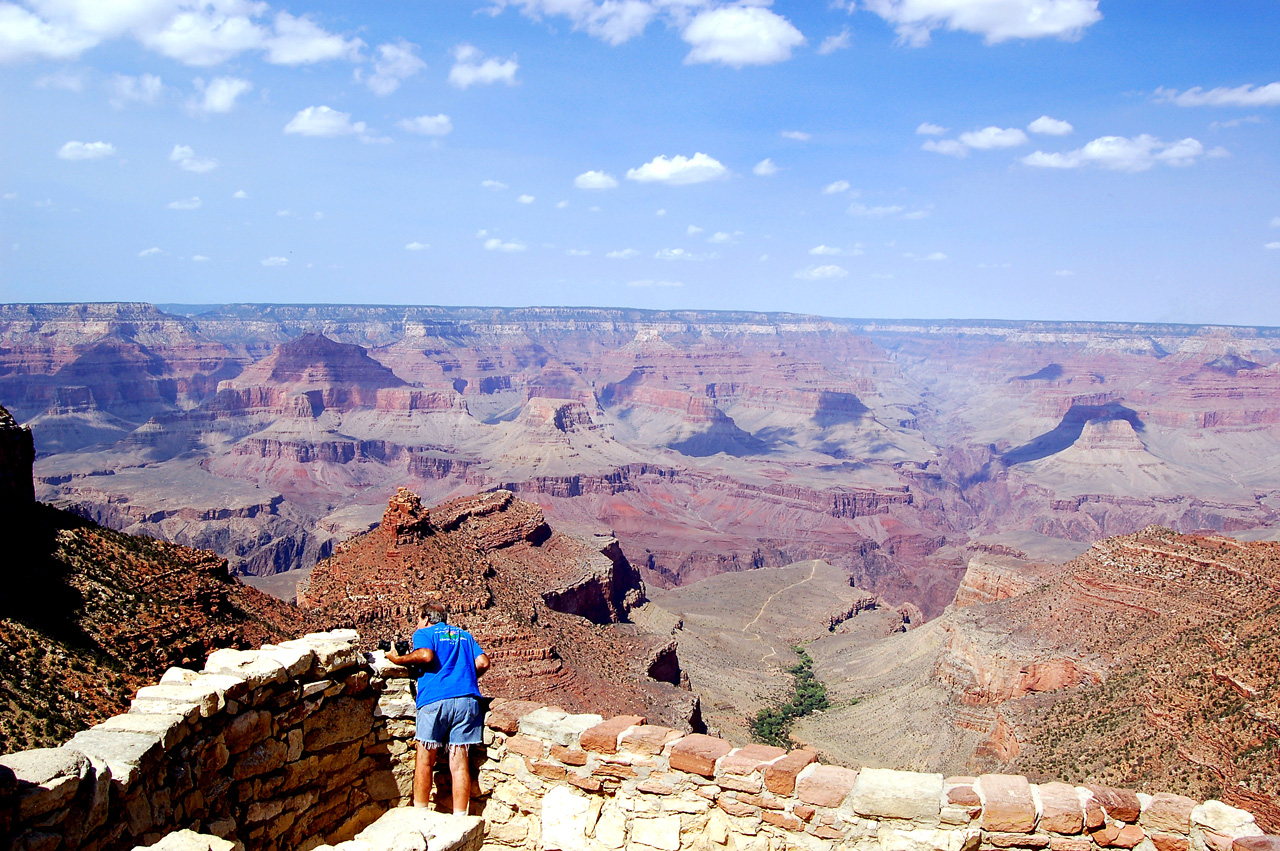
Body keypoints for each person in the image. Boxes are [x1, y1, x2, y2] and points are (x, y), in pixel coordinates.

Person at [386, 602, 490, 813]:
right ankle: (460, 817)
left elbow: (426, 656)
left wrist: (398, 659)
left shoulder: (424, 633)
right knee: (460, 763)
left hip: (435, 700)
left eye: (418, 619)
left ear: (425, 617)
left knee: (425, 760)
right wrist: (464, 679)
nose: (417, 623)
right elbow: (483, 662)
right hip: (467, 701)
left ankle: (420, 813)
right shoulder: (463, 634)